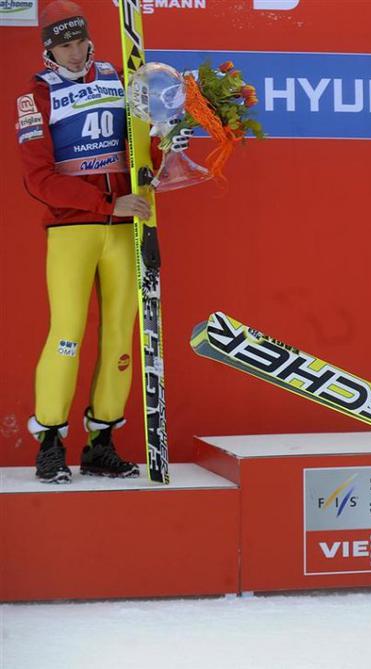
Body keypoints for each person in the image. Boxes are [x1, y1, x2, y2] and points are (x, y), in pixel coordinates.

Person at [16, 1, 189, 483]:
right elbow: (38, 179)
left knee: (121, 334)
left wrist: (168, 138)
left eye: (80, 43)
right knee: (67, 333)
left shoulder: (121, 77)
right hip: (74, 228)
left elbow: (142, 148)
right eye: (64, 46)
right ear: (50, 49)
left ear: (91, 39)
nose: (75, 54)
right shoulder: (36, 96)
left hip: (127, 227)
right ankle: (50, 443)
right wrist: (105, 204)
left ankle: (101, 444)